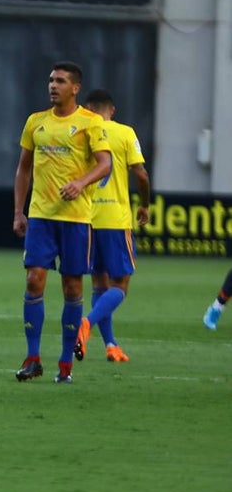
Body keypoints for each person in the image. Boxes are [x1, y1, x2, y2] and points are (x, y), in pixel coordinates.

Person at [13, 61, 112, 384]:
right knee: (33, 281)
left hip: (75, 219)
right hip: (41, 216)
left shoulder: (90, 122)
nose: (53, 85)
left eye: (60, 81)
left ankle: (65, 364)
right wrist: (19, 211)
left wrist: (81, 183)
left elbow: (105, 164)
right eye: (51, 80)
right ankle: (32, 358)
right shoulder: (35, 122)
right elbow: (23, 168)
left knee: (72, 287)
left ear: (75, 88)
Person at [73, 89, 151, 363]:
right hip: (115, 219)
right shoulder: (125, 133)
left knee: (98, 284)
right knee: (120, 285)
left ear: (88, 108)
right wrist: (145, 204)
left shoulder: (83, 133)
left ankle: (110, 345)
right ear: (112, 110)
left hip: (87, 218)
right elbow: (140, 174)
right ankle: (87, 323)